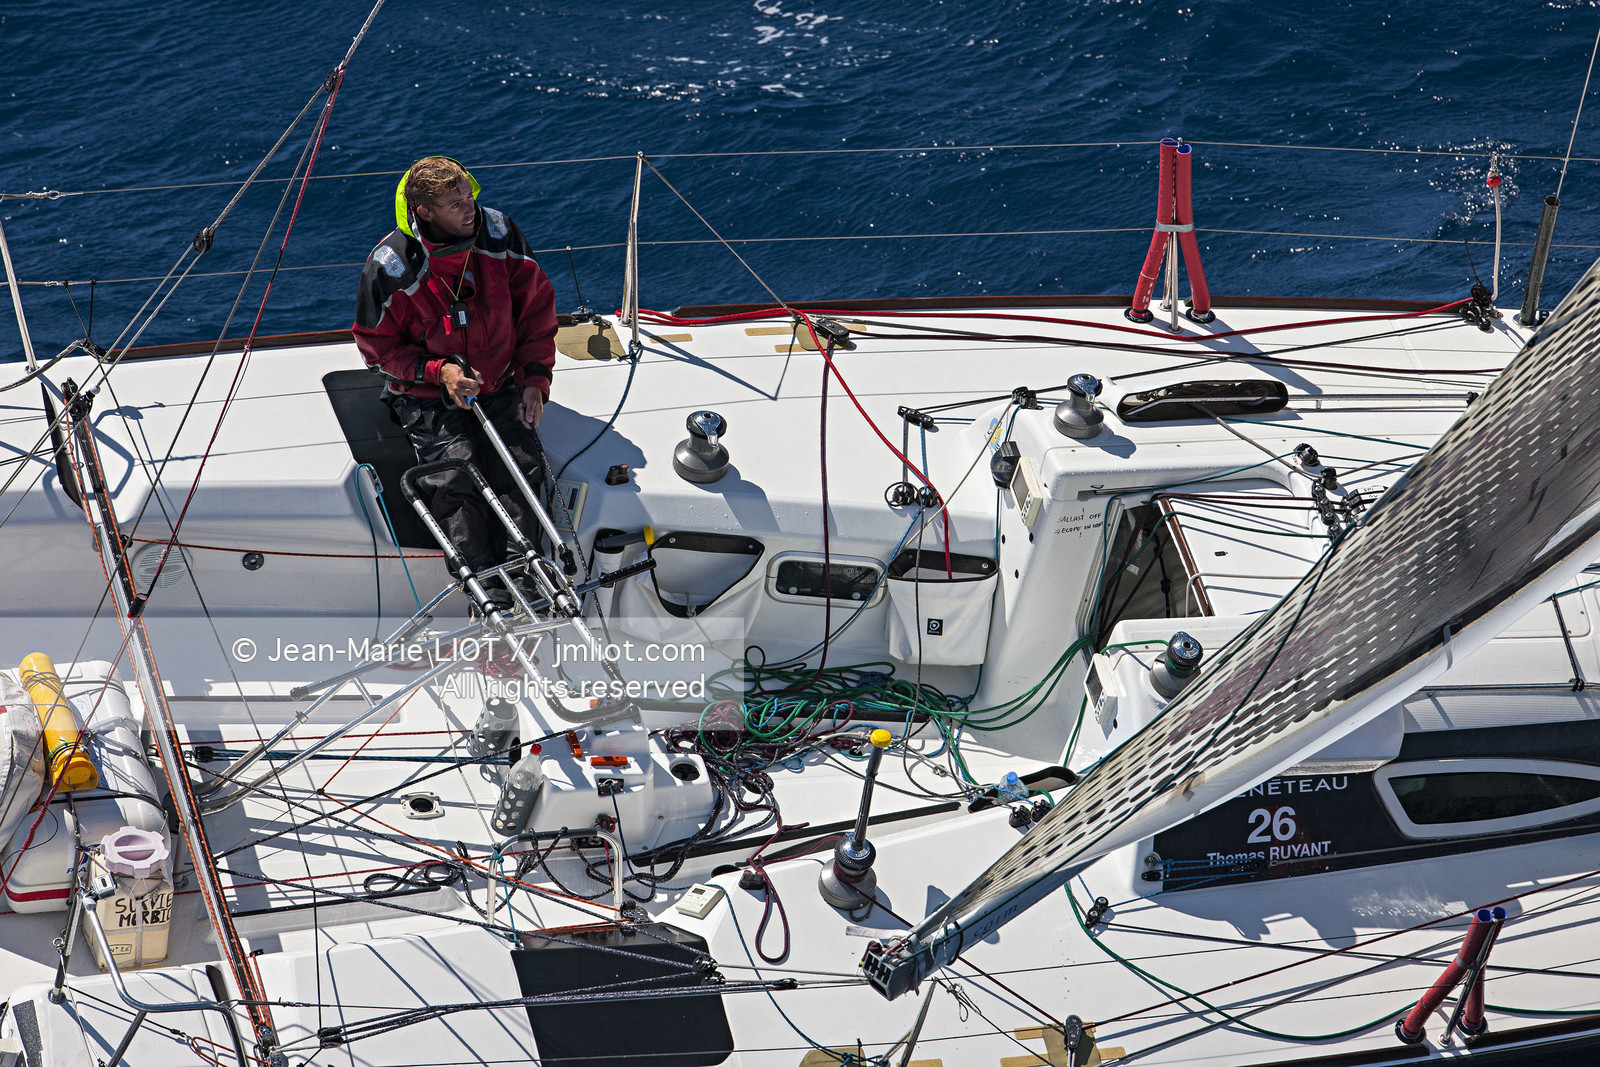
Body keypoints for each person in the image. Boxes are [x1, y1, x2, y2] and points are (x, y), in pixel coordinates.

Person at [353, 156, 558, 604]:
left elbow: (536, 312)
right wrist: (437, 372)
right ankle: (488, 594)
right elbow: (377, 350)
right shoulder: (389, 269)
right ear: (424, 213)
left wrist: (535, 380)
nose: (471, 209)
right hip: (427, 395)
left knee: (518, 465)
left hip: (501, 382)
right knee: (454, 477)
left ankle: (526, 579)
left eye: (469, 195)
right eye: (454, 203)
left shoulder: (500, 234)